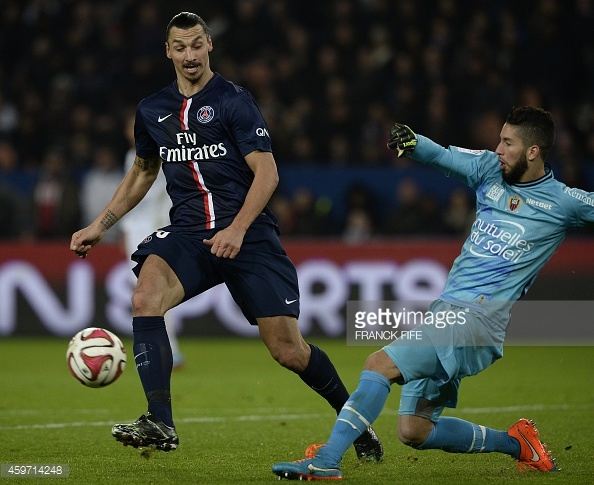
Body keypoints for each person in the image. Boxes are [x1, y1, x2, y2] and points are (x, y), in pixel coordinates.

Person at [70, 12, 382, 460]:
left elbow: (268, 172)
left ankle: (356, 422)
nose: (190, 55)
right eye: (180, 47)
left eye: (197, 44)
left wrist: (237, 229)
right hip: (189, 233)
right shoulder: (152, 110)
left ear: (209, 44)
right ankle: (160, 420)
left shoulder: (234, 101)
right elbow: (142, 170)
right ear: (168, 52)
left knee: (288, 350)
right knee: (145, 298)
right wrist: (98, 226)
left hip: (248, 236)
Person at [272, 105, 594, 480]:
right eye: (500, 140)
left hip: (476, 320)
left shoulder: (563, 202)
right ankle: (519, 443)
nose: (499, 149)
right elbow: (443, 156)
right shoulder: (489, 169)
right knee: (414, 430)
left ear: (533, 151)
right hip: (448, 314)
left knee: (379, 364)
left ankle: (327, 459)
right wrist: (413, 143)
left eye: (508, 143)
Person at [118, 113, 184, 368]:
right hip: (135, 230)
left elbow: (154, 195)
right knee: (147, 293)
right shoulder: (130, 157)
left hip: (155, 230)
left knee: (153, 292)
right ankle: (165, 349)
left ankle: (168, 350)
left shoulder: (162, 153)